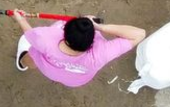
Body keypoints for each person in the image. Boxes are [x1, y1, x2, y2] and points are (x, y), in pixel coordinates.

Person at [9, 11, 146, 88]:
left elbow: (29, 34)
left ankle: (22, 63)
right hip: (74, 79)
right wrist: (101, 27)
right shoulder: (101, 53)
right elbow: (139, 34)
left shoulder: (47, 39)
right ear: (91, 41)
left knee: (35, 54)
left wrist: (21, 20)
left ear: (65, 34)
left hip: (48, 68)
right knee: (45, 57)